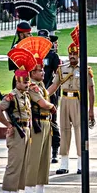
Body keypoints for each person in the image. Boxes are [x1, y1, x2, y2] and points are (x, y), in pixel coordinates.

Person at [47, 26, 95, 175]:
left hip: (78, 101)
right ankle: (64, 163)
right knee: (64, 130)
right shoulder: (63, 69)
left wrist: (91, 109)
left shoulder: (85, 69)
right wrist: (43, 96)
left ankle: (81, 164)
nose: (72, 56)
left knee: (80, 132)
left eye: (75, 54)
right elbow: (54, 85)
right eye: (70, 54)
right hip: (65, 101)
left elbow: (91, 89)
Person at [0, 47, 35, 193]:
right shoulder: (11, 96)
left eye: (27, 81)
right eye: (25, 82)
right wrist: (8, 125)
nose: (27, 84)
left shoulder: (25, 96)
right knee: (13, 168)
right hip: (17, 134)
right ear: (17, 82)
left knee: (22, 167)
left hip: (26, 132)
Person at [23, 37, 59, 193]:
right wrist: (52, 107)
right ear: (31, 73)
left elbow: (48, 96)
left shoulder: (41, 85)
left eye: (43, 70)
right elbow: (43, 103)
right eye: (39, 70)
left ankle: (40, 192)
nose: (43, 72)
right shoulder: (32, 87)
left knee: (44, 159)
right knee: (34, 159)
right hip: (37, 124)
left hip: (46, 123)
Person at [39, 30, 61, 163]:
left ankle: (54, 151)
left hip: (50, 92)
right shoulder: (34, 55)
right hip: (35, 92)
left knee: (52, 120)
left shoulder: (53, 56)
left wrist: (48, 91)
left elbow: (57, 76)